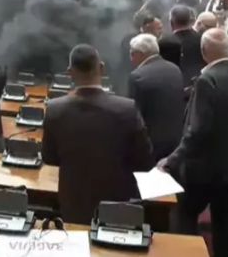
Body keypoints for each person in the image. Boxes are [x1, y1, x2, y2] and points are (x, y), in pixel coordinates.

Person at [158, 28, 228, 257]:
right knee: (224, 226)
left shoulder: (206, 80)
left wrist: (172, 160)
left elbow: (197, 131)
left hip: (203, 168)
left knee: (185, 216)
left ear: (204, 51)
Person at [41, 44, 154, 224]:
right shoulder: (127, 109)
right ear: (101, 68)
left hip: (73, 198)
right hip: (117, 199)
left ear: (70, 72)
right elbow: (144, 160)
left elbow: (49, 157)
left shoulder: (54, 109)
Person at [128, 34, 185, 161]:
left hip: (151, 143)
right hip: (176, 140)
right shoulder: (175, 69)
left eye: (132, 53)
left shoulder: (137, 76)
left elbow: (136, 114)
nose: (130, 58)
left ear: (141, 54)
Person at [158, 5, 204, 88]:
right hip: (200, 85)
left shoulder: (164, 43)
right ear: (190, 21)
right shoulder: (202, 39)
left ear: (171, 22)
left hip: (174, 88)